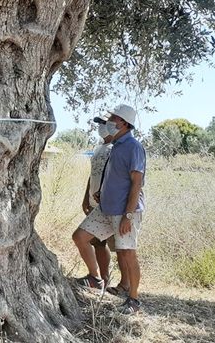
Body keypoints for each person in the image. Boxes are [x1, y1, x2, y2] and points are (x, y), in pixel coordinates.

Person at [72, 104, 146, 315]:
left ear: (123, 123)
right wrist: (100, 192)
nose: (110, 121)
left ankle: (134, 300)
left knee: (127, 252)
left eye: (113, 118)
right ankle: (95, 279)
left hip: (124, 211)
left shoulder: (133, 147)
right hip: (106, 208)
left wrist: (128, 216)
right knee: (80, 236)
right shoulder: (115, 146)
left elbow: (136, 183)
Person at [81, 121, 114, 287]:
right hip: (94, 202)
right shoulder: (99, 148)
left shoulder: (116, 148)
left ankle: (117, 282)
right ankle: (99, 278)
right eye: (99, 124)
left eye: (104, 124)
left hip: (109, 204)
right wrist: (86, 197)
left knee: (120, 247)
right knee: (97, 242)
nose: (101, 127)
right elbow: (93, 174)